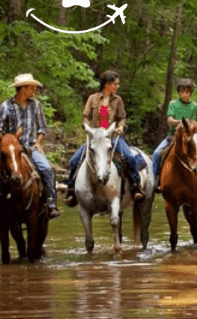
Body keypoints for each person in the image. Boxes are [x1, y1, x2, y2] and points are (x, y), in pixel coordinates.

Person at [63, 70, 146, 207]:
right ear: (107, 84)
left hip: (113, 137)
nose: (117, 86)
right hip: (96, 138)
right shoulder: (93, 98)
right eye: (115, 84)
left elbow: (122, 117)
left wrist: (120, 127)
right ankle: (71, 191)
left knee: (129, 158)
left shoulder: (117, 100)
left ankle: (135, 187)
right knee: (74, 161)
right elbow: (85, 116)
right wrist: (86, 126)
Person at [1, 73, 60, 218]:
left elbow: (42, 128)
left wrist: (38, 142)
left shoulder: (36, 105)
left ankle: (51, 202)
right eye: (32, 86)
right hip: (11, 149)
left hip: (30, 146)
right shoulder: (5, 106)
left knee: (47, 168)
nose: (34, 89)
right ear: (23, 89)